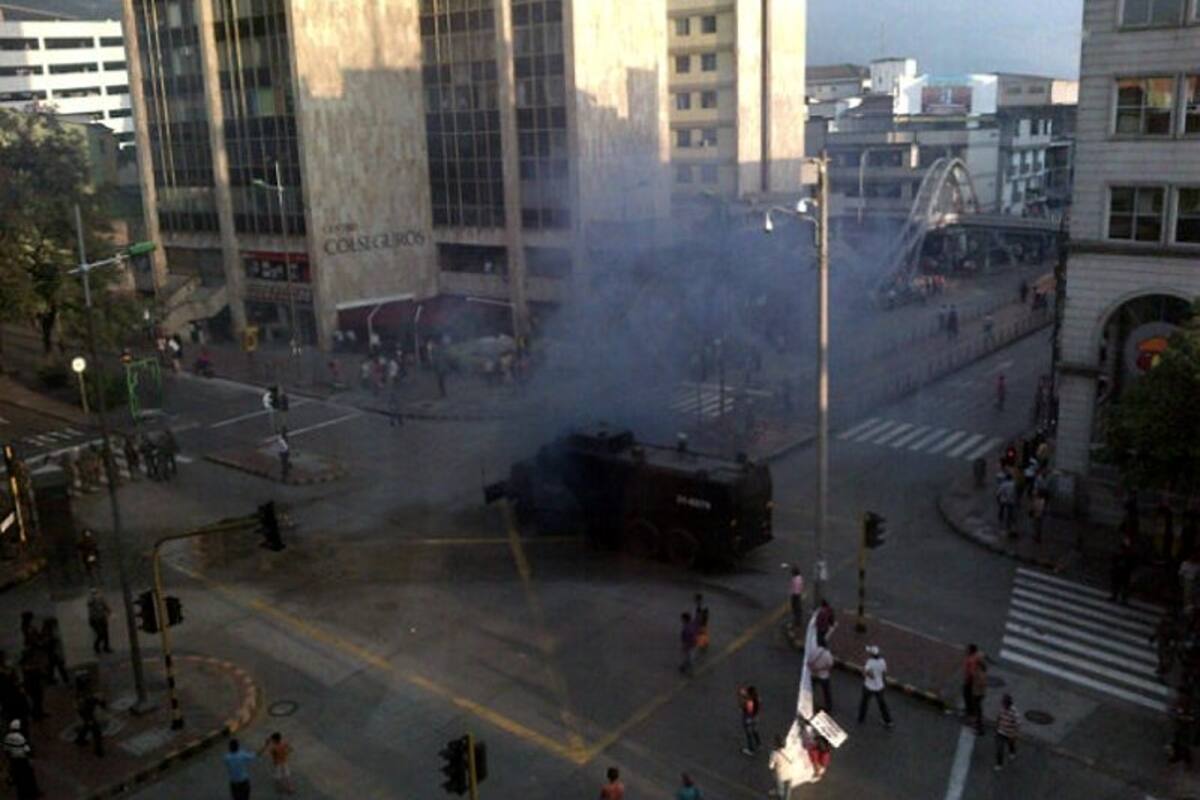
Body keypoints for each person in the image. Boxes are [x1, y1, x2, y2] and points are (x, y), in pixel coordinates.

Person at [857, 645, 893, 727]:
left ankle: (861, 719)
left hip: (868, 687)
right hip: (879, 687)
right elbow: (884, 673)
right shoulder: (883, 661)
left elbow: (866, 673)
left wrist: (866, 673)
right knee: (882, 704)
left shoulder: (869, 662)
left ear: (872, 655)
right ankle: (888, 721)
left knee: (864, 703)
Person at [4, 720, 40, 800]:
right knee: (27, 776)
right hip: (22, 759)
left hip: (14, 760)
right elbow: (26, 750)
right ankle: (31, 794)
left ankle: (22, 795)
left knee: (19, 780)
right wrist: (31, 757)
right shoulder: (21, 737)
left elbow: (6, 749)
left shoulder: (8, 737)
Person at [73, 678, 106, 757]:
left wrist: (98, 701)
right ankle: (98, 750)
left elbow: (91, 699)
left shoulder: (84, 693)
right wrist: (89, 719)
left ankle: (80, 739)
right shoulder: (81, 696)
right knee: (96, 732)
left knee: (87, 727)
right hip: (87, 714)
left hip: (88, 712)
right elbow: (82, 709)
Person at [963, 644, 986, 735]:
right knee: (974, 704)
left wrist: (968, 682)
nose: (966, 651)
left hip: (976, 689)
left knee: (976, 706)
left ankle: (978, 727)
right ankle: (973, 718)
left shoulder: (974, 664)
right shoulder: (978, 658)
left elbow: (971, 675)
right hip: (977, 689)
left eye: (968, 650)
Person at [994, 693, 1019, 770]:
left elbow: (1017, 724)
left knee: (1010, 743)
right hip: (1001, 731)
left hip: (1009, 733)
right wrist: (997, 728)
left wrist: (1014, 734)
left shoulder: (1014, 712)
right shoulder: (1002, 709)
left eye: (1004, 703)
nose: (1002, 704)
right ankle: (999, 764)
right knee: (999, 748)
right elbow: (999, 718)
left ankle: (1012, 751)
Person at [808, 643, 835, 713]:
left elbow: (808, 662)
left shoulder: (813, 651)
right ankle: (828, 707)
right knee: (826, 692)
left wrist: (814, 669)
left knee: (811, 689)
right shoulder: (827, 654)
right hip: (823, 676)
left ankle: (810, 702)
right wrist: (821, 669)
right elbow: (830, 665)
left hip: (813, 674)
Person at [41, 618, 68, 686]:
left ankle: (57, 680)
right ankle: (63, 680)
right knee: (57, 667)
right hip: (52, 652)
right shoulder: (49, 631)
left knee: (55, 668)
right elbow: (49, 641)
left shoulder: (48, 631)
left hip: (52, 652)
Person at [1110, 532, 1136, 604]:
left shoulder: (1130, 551)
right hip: (1120, 569)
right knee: (1118, 583)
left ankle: (1123, 598)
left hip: (1125, 570)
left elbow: (1132, 560)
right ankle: (1116, 596)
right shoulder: (1122, 549)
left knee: (1124, 584)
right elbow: (1115, 557)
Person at [88, 589, 113, 654]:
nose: (95, 595)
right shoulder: (91, 601)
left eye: (96, 593)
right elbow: (89, 603)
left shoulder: (101, 599)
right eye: (93, 594)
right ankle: (96, 646)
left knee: (105, 633)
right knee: (100, 634)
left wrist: (110, 612)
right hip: (94, 620)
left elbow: (106, 606)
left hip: (102, 618)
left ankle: (106, 647)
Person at [738, 685, 762, 755]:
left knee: (749, 734)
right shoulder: (757, 698)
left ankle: (751, 749)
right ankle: (758, 743)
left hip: (749, 718)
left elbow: (746, 709)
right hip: (756, 717)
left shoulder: (749, 702)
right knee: (755, 730)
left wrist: (742, 702)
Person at [767, 734, 793, 799]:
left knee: (781, 791)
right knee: (788, 790)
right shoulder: (789, 750)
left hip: (780, 775)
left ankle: (778, 793)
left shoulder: (774, 753)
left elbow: (771, 766)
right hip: (789, 772)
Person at [789, 566, 805, 630]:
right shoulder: (800, 578)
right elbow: (801, 586)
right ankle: (798, 621)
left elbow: (793, 587)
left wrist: (791, 592)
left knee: (795, 608)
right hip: (798, 594)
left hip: (795, 595)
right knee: (798, 608)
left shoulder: (794, 579)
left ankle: (797, 622)